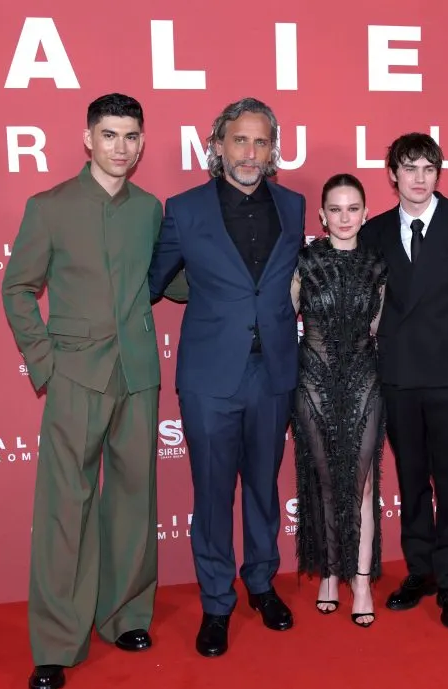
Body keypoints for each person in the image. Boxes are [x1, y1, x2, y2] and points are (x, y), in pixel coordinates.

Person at [2, 93, 187, 689]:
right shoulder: (48, 206)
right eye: (110, 135)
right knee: (64, 511)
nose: (121, 147)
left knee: (133, 504)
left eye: (132, 136)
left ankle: (126, 617)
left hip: (137, 373)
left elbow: (176, 279)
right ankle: (57, 642)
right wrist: (44, 362)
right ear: (87, 139)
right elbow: (17, 288)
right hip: (75, 374)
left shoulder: (151, 209)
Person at [148, 97, 305, 658]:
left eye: (261, 142)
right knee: (212, 494)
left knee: (263, 488)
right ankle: (217, 602)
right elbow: (150, 282)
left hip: (274, 371)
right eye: (239, 140)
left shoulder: (294, 204)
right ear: (217, 145)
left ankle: (261, 583)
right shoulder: (184, 209)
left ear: (273, 150)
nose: (250, 152)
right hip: (211, 377)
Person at [359, 132, 448, 631]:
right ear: (393, 175)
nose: (419, 179)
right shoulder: (374, 231)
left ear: (438, 174)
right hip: (397, 373)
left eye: (428, 169)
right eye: (409, 168)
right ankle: (418, 571)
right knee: (412, 479)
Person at [290, 174, 387, 628]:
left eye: (353, 208)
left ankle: (361, 581)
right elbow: (286, 319)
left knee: (362, 484)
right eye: (336, 209)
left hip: (365, 384)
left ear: (366, 213)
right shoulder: (304, 263)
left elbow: (377, 328)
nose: (345, 217)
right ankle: (330, 572)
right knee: (329, 483)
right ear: (322, 216)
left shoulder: (377, 266)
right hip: (313, 385)